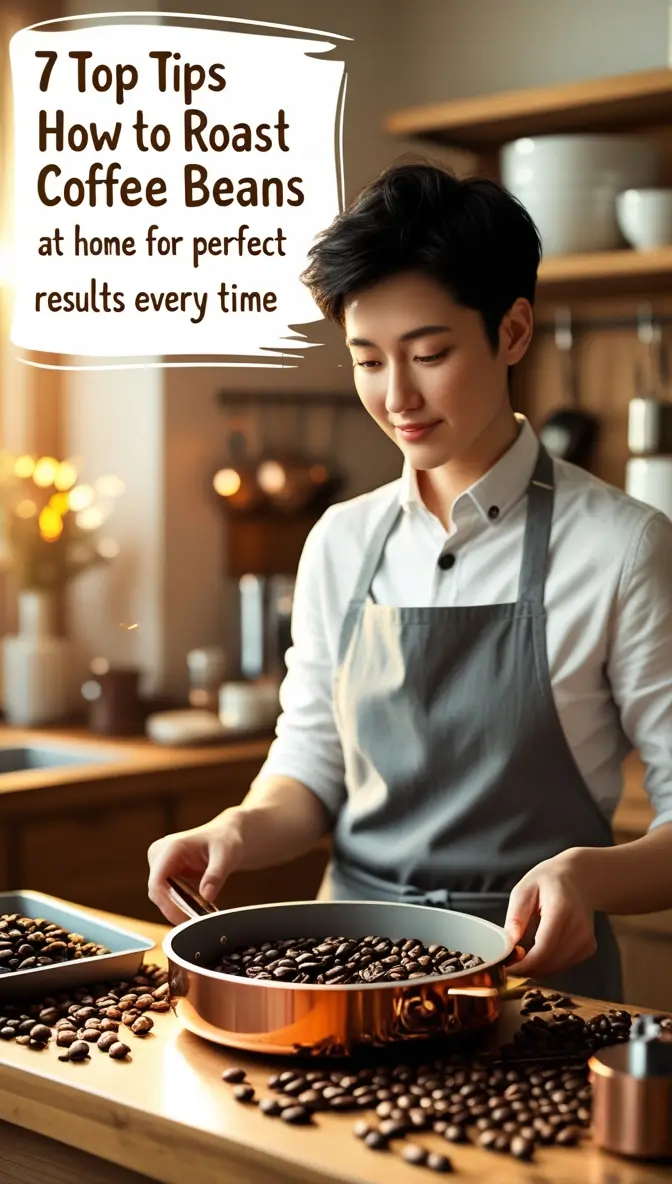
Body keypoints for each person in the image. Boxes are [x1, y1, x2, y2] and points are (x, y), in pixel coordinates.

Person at [148, 161, 672, 1001]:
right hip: (344, 976)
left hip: (534, 987)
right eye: (367, 360)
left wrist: (591, 878)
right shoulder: (339, 541)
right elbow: (313, 769)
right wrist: (236, 831)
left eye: (429, 354)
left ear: (512, 331)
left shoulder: (623, 547)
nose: (397, 397)